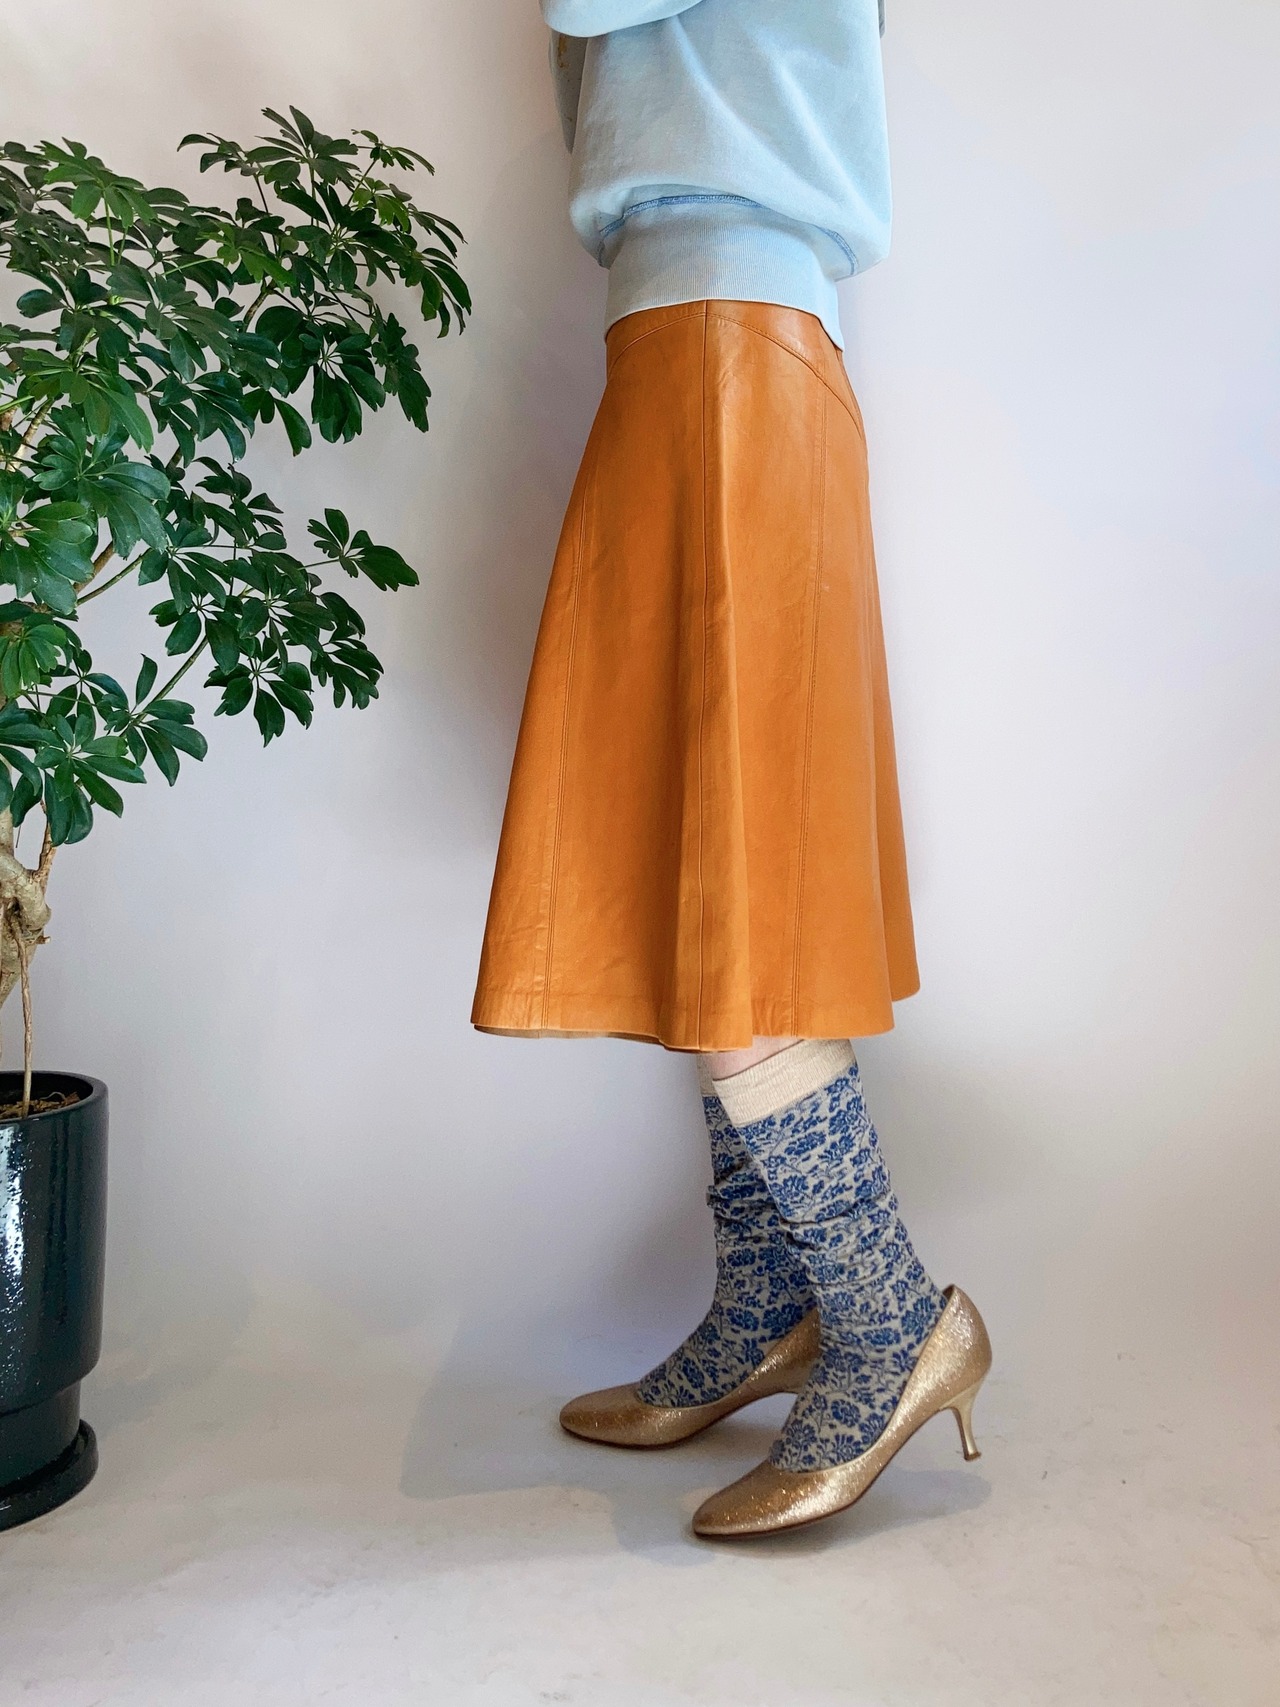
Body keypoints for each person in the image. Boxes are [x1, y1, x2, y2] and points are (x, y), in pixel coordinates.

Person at [472, 0, 991, 1538]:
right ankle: (771, 1301)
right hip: (693, 339)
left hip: (727, 347)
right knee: (706, 871)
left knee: (739, 884)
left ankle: (891, 1321)